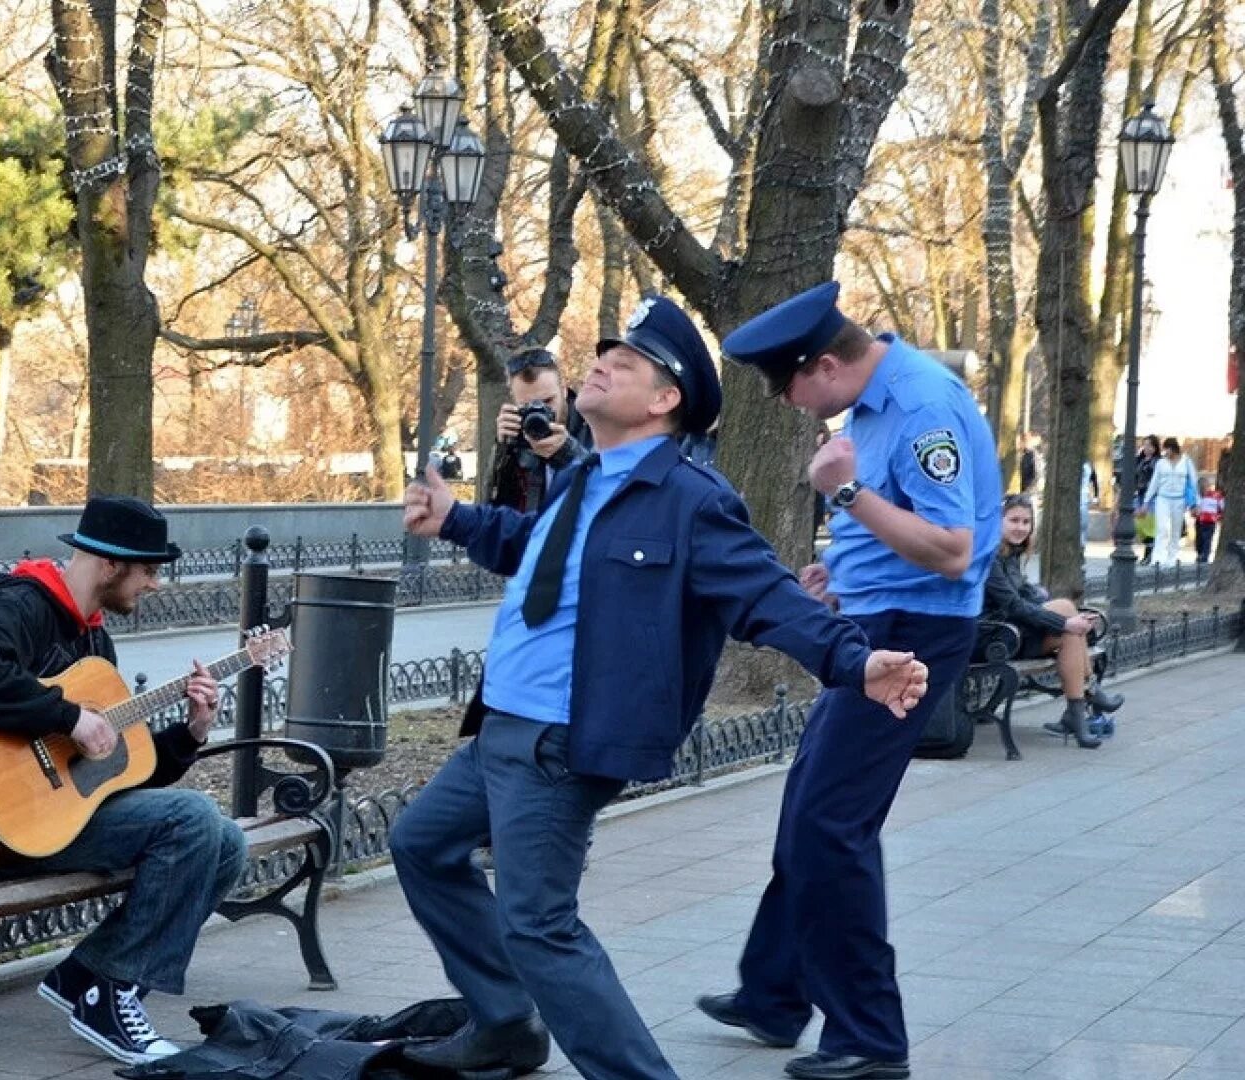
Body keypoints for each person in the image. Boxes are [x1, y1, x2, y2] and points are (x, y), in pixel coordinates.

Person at [394, 293, 930, 1080]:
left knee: (539, 922)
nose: (600, 362)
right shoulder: (584, 478)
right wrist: (457, 518)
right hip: (500, 728)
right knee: (421, 846)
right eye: (602, 352)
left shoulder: (691, 500)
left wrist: (854, 661)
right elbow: (540, 553)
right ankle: (507, 1022)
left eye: (627, 361)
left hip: (560, 742)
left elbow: (764, 595)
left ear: (665, 399)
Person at [702, 281, 1001, 1080]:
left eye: (788, 386)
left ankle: (869, 1039)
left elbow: (951, 549)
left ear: (827, 364)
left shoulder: (922, 405)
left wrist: (844, 493)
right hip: (877, 621)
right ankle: (772, 993)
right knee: (810, 811)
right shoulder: (876, 404)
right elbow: (902, 529)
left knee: (830, 827)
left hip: (911, 639)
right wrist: (845, 573)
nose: (791, 404)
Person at [0, 496, 239, 1066]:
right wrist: (68, 716)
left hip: (63, 818)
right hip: (8, 824)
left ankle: (92, 979)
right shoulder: (25, 604)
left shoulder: (94, 637)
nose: (154, 584)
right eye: (149, 570)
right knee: (194, 820)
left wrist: (192, 733)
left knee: (227, 842)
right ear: (111, 564)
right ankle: (107, 998)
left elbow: (116, 770)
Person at [984, 495, 1124, 747]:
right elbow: (1012, 605)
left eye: (1026, 522)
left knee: (1072, 630)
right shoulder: (989, 556)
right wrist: (1064, 620)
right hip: (998, 635)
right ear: (998, 522)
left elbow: (1023, 593)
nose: (1020, 527)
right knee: (1067, 612)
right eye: (1014, 520)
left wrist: (1057, 613)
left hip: (1016, 630)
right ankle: (1090, 693)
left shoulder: (1011, 553)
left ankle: (1076, 718)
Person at [486, 346, 594, 513]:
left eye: (547, 401)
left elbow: (612, 493)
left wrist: (568, 453)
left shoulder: (596, 426)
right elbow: (493, 511)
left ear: (564, 390)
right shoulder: (516, 436)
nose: (540, 411)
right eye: (527, 406)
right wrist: (502, 451)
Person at [1144, 436, 1198, 565]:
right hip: (1163, 498)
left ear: (1173, 449)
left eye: (1167, 449)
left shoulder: (1186, 462)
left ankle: (1172, 558)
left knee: (1176, 529)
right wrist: (1147, 500)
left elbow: (1193, 482)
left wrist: (1196, 502)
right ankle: (1158, 558)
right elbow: (1154, 482)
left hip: (1179, 500)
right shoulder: (1161, 463)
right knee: (1161, 528)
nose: (1165, 452)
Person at [1134, 435, 1160, 564]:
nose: (1146, 448)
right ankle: (1149, 550)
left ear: (1154, 448)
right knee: (1139, 524)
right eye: (1144, 445)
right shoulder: (1140, 460)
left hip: (1151, 497)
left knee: (1149, 525)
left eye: (1149, 445)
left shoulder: (1157, 462)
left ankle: (1149, 554)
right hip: (1140, 494)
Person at [1194, 480, 1224, 565]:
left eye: (1207, 486)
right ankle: (1200, 553)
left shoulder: (1216, 496)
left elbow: (1222, 506)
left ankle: (1205, 556)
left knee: (1207, 539)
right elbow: (1197, 508)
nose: (1206, 489)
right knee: (1200, 538)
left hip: (1211, 521)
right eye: (1203, 487)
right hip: (1201, 521)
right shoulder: (1200, 497)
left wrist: (1218, 516)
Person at [1079, 459, 1100, 543]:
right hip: (1079, 498)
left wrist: (1095, 497)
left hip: (1084, 498)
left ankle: (1082, 544)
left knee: (1083, 524)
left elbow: (1095, 482)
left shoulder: (1088, 467)